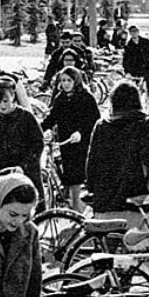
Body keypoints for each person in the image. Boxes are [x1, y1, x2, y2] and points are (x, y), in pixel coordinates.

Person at [85, 81, 149, 231]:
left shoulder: (101, 125)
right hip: (132, 201)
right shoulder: (143, 124)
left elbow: (91, 161)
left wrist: (92, 189)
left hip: (104, 202)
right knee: (140, 249)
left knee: (109, 250)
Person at [42, 65, 99, 212]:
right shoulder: (60, 98)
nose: (66, 83)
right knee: (67, 170)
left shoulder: (86, 97)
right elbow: (51, 117)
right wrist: (40, 130)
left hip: (82, 143)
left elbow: (95, 121)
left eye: (69, 80)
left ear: (76, 81)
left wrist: (81, 132)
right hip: (66, 142)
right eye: (63, 80)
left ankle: (76, 204)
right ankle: (71, 201)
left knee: (77, 173)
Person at [123, 25, 149, 117]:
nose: (134, 33)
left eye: (135, 31)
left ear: (138, 32)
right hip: (136, 71)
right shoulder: (129, 45)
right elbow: (126, 60)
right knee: (135, 93)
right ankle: (137, 112)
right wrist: (127, 71)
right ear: (130, 33)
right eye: (132, 32)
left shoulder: (146, 42)